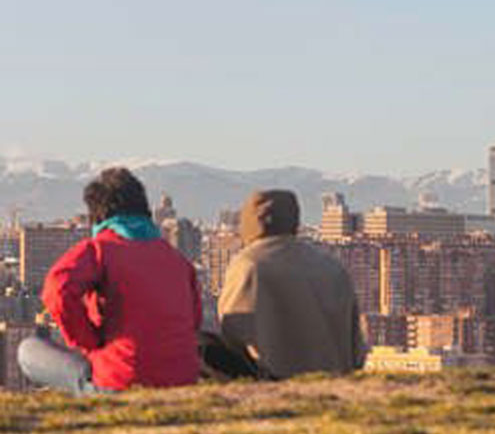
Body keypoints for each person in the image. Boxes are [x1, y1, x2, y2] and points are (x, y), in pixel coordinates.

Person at [19, 168, 202, 395]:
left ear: (97, 217)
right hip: (183, 383)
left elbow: (57, 289)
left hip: (118, 383)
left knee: (28, 350)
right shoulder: (178, 260)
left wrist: (88, 341)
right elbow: (194, 321)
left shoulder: (100, 250)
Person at [205, 189, 365, 380]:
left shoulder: (249, 264)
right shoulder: (331, 266)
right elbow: (357, 349)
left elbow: (234, 334)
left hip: (270, 381)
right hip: (336, 382)